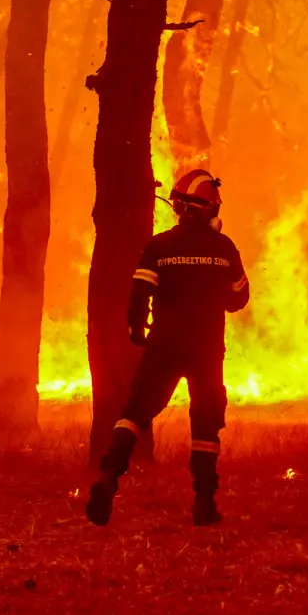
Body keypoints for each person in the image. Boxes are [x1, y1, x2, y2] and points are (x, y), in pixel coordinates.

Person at [86, 170, 250, 528]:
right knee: (206, 422)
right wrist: (213, 292)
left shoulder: (159, 247)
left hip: (164, 343)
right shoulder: (224, 249)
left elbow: (140, 292)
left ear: (178, 207)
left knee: (135, 412)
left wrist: (136, 327)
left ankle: (107, 479)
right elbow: (240, 299)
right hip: (205, 348)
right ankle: (204, 502)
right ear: (209, 209)